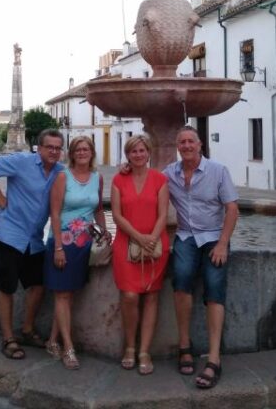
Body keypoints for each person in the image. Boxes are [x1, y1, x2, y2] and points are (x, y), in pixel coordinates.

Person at [0, 129, 65, 360]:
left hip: (34, 239)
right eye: (50, 147)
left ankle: (27, 329)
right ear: (39, 148)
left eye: (58, 148)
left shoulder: (60, 171)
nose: (54, 151)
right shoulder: (22, 161)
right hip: (10, 233)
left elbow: (83, 175)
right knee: (7, 287)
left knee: (38, 285)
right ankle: (8, 338)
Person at [165, 126, 238, 390]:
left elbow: (232, 208)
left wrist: (223, 244)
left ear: (200, 145)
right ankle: (184, 346)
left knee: (215, 287)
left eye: (190, 141)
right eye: (181, 142)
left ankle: (214, 358)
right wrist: (128, 168)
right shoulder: (169, 174)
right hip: (186, 235)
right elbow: (147, 183)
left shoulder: (218, 171)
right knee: (181, 279)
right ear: (178, 146)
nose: (186, 146)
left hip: (214, 236)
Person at [44, 136, 109, 370]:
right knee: (62, 295)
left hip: (84, 244)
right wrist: (58, 247)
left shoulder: (97, 178)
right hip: (63, 243)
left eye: (86, 149)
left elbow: (98, 209)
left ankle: (52, 341)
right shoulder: (63, 177)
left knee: (67, 295)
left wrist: (104, 231)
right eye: (78, 149)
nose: (82, 153)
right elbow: (55, 213)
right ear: (72, 154)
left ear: (92, 153)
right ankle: (68, 348)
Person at [111, 134, 169, 375]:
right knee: (130, 296)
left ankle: (144, 351)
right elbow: (116, 215)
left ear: (148, 153)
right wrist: (139, 237)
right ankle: (130, 346)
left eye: (142, 150)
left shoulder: (160, 179)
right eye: (133, 151)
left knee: (152, 296)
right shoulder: (118, 179)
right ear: (128, 155)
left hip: (155, 244)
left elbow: (163, 214)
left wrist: (152, 238)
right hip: (126, 243)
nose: (138, 155)